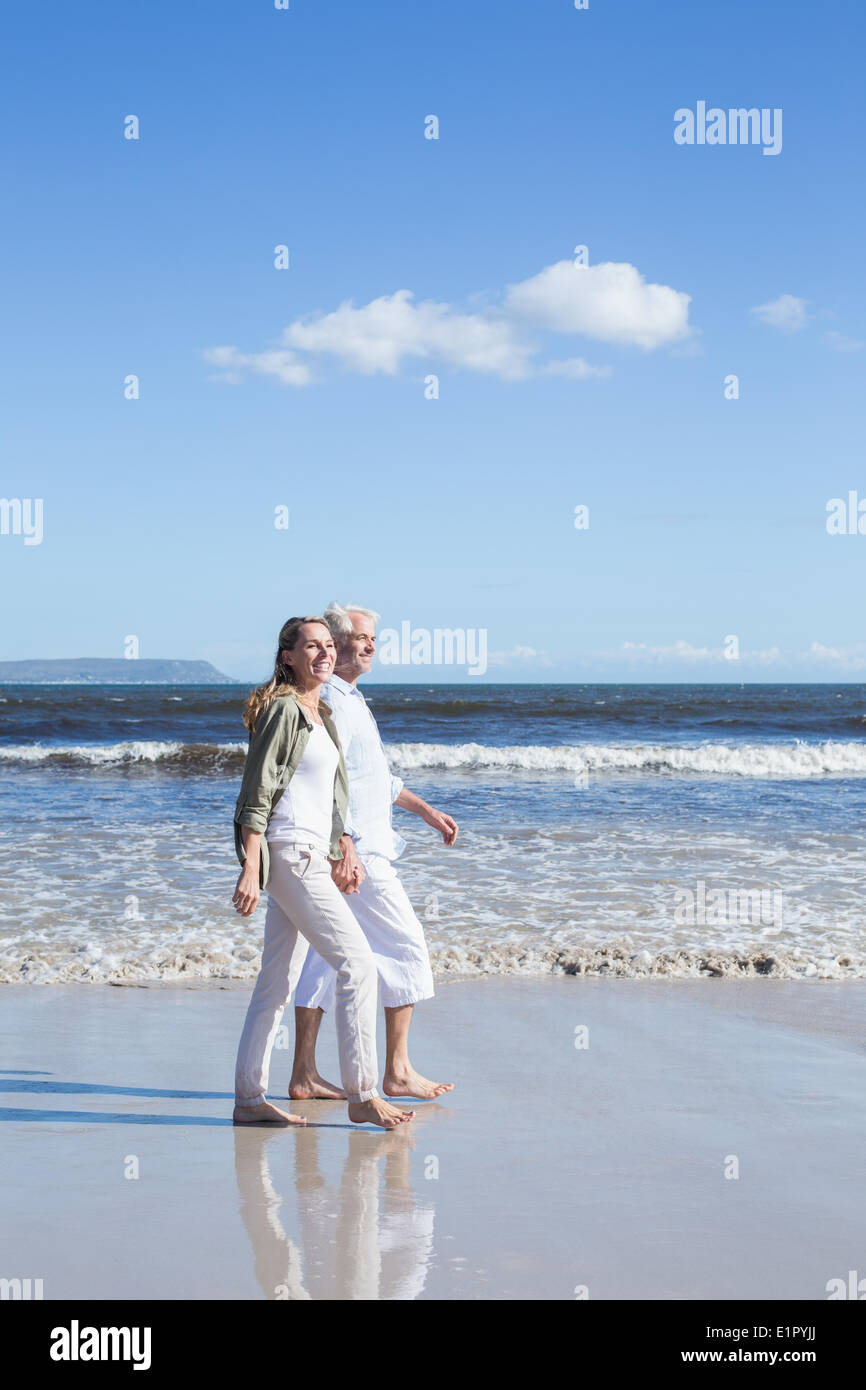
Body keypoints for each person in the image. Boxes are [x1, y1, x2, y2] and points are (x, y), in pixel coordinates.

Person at [231, 614, 414, 1130]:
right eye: (311, 646)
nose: (324, 653)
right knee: (357, 964)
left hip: (312, 852)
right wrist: (250, 865)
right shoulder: (283, 711)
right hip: (288, 853)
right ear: (287, 656)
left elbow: (333, 800)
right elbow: (256, 793)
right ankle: (362, 1093)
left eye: (328, 646)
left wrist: (342, 849)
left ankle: (248, 1099)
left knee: (276, 982)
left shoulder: (324, 714)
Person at [289, 602, 457, 1103]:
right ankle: (398, 1070)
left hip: (354, 848)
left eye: (373, 639)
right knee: (407, 948)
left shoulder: (350, 700)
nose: (370, 646)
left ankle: (303, 1074)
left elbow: (373, 779)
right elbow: (326, 781)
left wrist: (423, 809)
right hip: (356, 853)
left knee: (323, 962)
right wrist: (347, 847)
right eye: (363, 637)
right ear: (337, 644)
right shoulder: (332, 702)